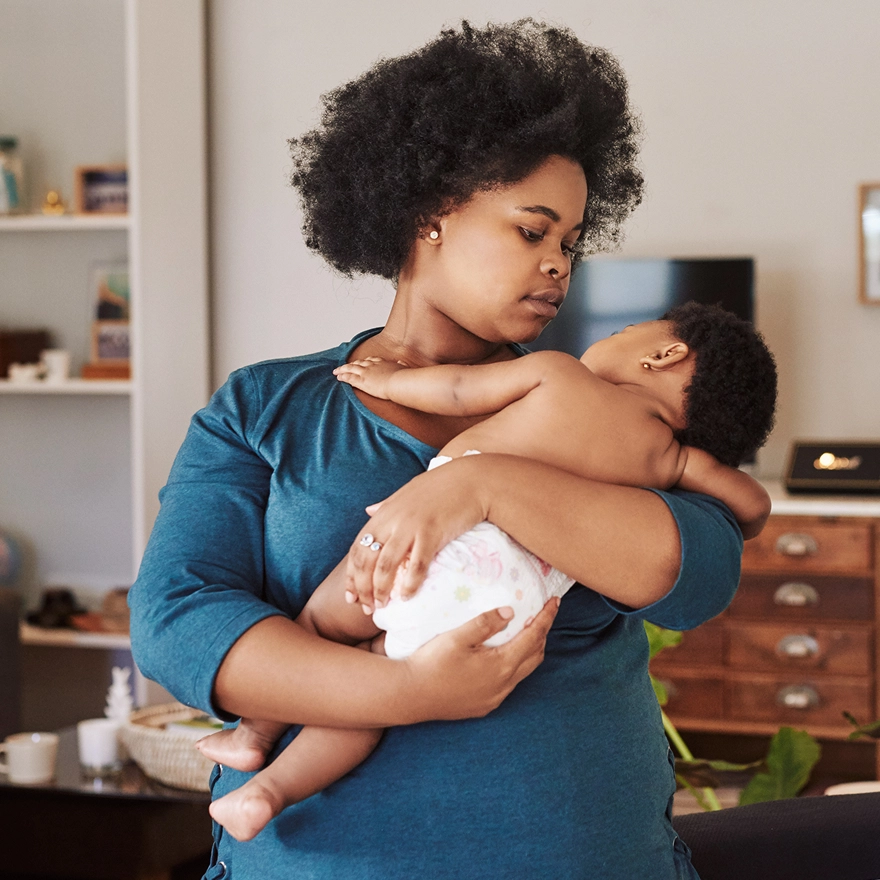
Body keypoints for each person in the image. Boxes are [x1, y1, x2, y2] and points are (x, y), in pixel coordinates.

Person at [129, 20, 762, 879]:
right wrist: (408, 692)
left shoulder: (596, 413)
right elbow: (177, 621)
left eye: (571, 242)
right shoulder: (266, 405)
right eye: (532, 231)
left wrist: (485, 486)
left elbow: (699, 572)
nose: (559, 265)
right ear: (430, 213)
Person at [198, 300, 777, 842]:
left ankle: (256, 735)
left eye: (626, 331)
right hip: (512, 597)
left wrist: (388, 381)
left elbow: (455, 389)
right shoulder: (669, 459)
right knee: (381, 669)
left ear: (665, 354)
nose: (612, 336)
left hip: (440, 542)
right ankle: (268, 793)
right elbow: (753, 507)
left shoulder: (559, 373)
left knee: (326, 635)